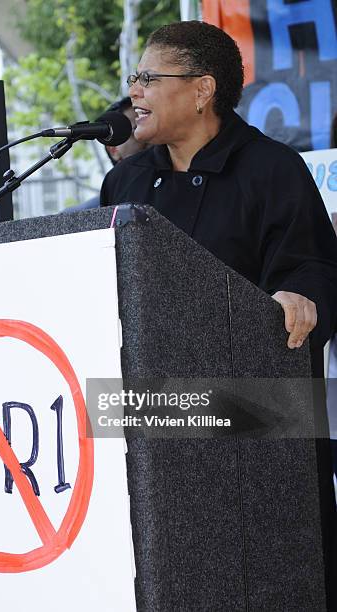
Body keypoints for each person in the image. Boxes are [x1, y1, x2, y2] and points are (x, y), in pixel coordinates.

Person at [100, 20, 337, 608]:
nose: (135, 91)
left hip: (257, 421)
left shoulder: (271, 169)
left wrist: (295, 298)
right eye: (135, 78)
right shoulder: (124, 182)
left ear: (202, 90)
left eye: (149, 78)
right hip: (150, 422)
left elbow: (313, 269)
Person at [71, 97, 148, 210]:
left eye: (148, 124)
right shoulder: (91, 211)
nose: (147, 136)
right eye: (136, 129)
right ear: (113, 150)